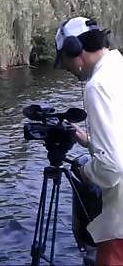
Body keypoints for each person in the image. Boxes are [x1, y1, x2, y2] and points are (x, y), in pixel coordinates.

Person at [54, 16, 123, 265]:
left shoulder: (97, 86)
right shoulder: (118, 67)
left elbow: (113, 166)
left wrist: (85, 170)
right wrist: (89, 142)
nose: (68, 70)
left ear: (75, 51)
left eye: (64, 62)